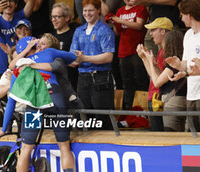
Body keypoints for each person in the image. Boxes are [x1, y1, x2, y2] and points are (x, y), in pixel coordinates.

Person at [0, 36, 79, 172]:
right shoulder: (49, 52)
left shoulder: (20, 69)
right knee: (64, 147)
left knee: (26, 149)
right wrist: (55, 57)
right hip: (55, 99)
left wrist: (3, 129)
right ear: (35, 47)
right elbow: (72, 57)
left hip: (35, 105)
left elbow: (11, 102)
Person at [166, 0, 200, 132]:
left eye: (182, 15)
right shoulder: (188, 35)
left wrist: (188, 72)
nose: (181, 18)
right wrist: (178, 65)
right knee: (193, 131)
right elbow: (186, 64)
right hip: (191, 92)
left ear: (189, 15)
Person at [0, 0, 35, 126]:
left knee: (20, 108)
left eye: (11, 1)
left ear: (16, 4)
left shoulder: (20, 18)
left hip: (19, 71)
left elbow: (31, 5)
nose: (8, 4)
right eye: (4, 1)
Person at [70, 0, 116, 130]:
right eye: (85, 10)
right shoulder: (79, 31)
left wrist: (83, 58)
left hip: (101, 78)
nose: (87, 13)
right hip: (82, 78)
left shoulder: (105, 30)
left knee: (103, 119)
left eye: (90, 10)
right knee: (82, 118)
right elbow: (73, 57)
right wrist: (73, 60)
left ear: (98, 11)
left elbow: (108, 57)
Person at [139, 30, 187, 131]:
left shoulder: (174, 63)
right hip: (177, 100)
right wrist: (147, 60)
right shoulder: (179, 60)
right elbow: (158, 76)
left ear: (169, 43)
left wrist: (148, 61)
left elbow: (156, 82)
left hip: (174, 103)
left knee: (172, 135)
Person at [109, 0, 149, 110]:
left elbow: (139, 25)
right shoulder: (120, 10)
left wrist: (120, 20)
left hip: (137, 50)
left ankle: (144, 110)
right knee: (127, 82)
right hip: (123, 50)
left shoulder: (140, 8)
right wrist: (115, 23)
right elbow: (117, 32)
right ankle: (128, 110)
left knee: (140, 80)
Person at [137, 17, 173, 131]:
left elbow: (159, 79)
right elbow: (154, 76)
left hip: (159, 98)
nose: (151, 33)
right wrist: (144, 58)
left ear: (163, 31)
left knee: (162, 135)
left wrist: (148, 61)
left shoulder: (169, 51)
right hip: (154, 97)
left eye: (153, 30)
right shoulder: (162, 50)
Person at [50, 2, 79, 91]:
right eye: (52, 17)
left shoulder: (75, 35)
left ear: (67, 18)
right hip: (54, 83)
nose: (54, 20)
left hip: (71, 82)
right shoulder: (50, 37)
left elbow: (76, 61)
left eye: (57, 17)